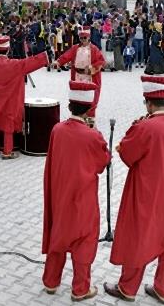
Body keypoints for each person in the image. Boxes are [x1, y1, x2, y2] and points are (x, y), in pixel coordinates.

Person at [104, 75, 164, 304]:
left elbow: (128, 154)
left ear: (148, 103)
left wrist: (134, 128)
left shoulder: (145, 127)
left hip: (147, 193)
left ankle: (127, 288)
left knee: (139, 237)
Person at [42, 81, 109, 302]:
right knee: (84, 239)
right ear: (89, 109)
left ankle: (51, 281)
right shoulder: (92, 136)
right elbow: (102, 163)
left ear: (69, 106)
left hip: (60, 193)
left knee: (59, 233)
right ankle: (80, 288)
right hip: (82, 196)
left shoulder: (57, 130)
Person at [0, 34, 48, 159]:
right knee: (8, 122)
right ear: (8, 49)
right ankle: (7, 152)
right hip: (9, 101)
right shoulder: (15, 64)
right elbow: (31, 62)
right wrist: (44, 56)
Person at [52, 27, 105, 118]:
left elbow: (101, 61)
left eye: (85, 38)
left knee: (89, 96)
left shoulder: (94, 49)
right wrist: (58, 62)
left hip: (89, 77)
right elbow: (66, 56)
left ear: (89, 37)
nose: (83, 40)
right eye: (81, 38)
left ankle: (89, 117)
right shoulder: (75, 48)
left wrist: (91, 68)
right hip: (77, 76)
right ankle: (77, 115)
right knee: (77, 96)